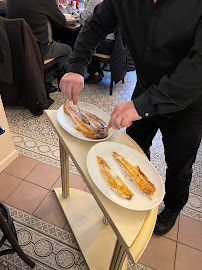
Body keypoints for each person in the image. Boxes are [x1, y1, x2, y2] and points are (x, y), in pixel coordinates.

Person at [59, 0, 202, 235]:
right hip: (144, 88)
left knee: (179, 164)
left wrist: (144, 104)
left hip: (188, 103)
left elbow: (199, 65)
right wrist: (76, 65)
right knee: (133, 147)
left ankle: (173, 207)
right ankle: (133, 191)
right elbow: (95, 24)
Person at [6, 0, 72, 92]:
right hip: (39, 50)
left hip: (15, 50)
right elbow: (61, 22)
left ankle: (40, 78)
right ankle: (46, 82)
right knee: (67, 50)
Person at [80, 0, 115, 84]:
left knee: (81, 39)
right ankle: (94, 70)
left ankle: (91, 72)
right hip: (117, 45)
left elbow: (84, 19)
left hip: (105, 45)